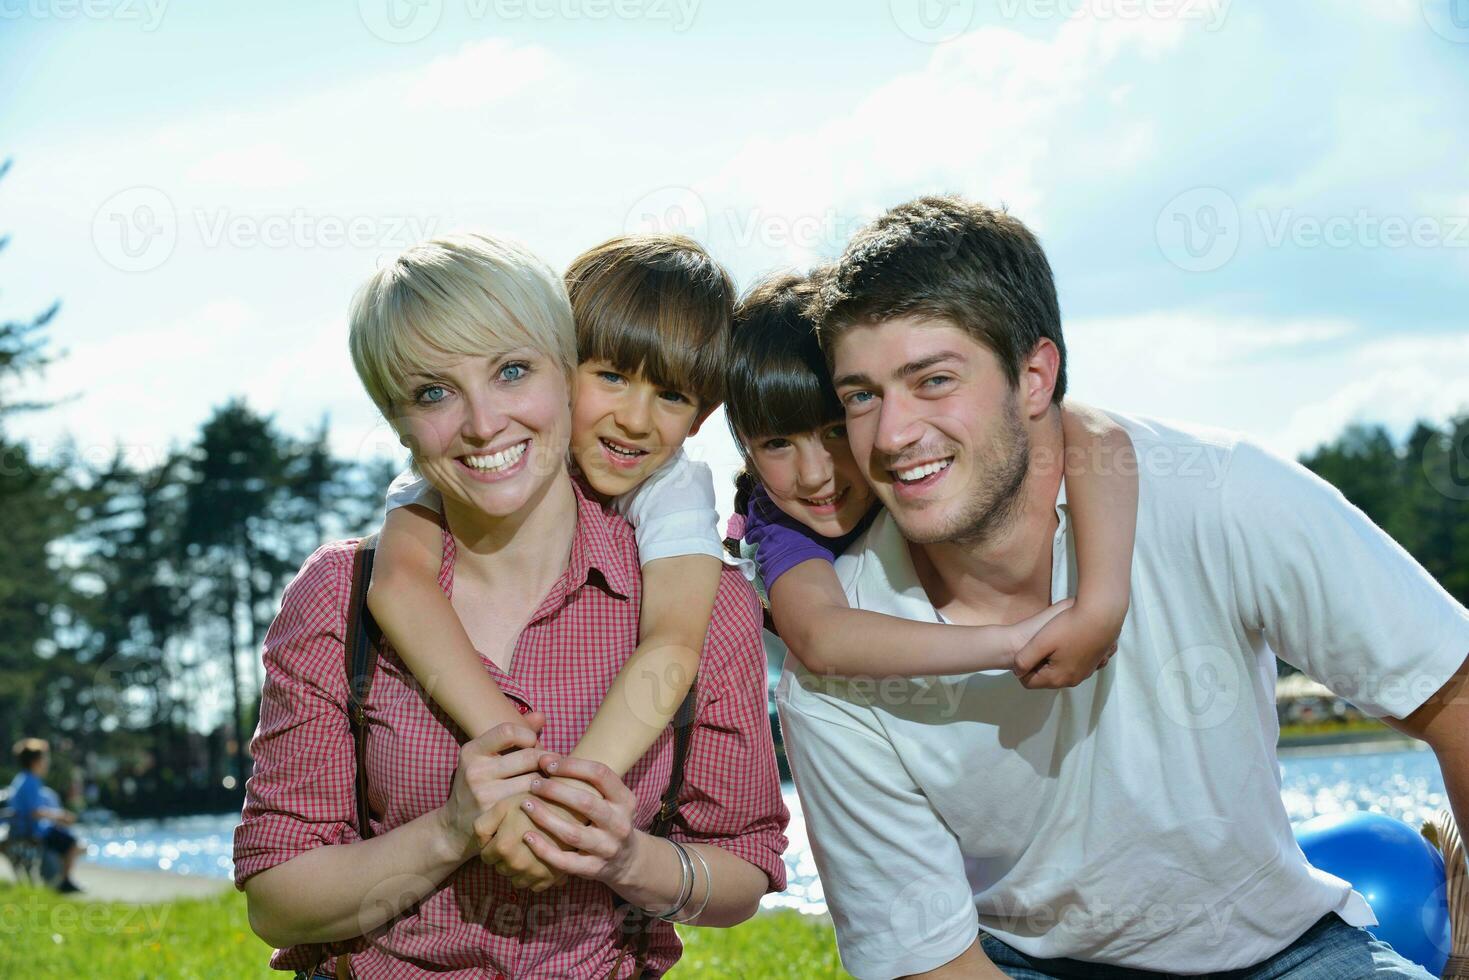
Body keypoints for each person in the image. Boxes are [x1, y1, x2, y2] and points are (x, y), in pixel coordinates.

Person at [775, 195, 1469, 979]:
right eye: (860, 395)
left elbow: (1456, 698)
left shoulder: (1224, 494)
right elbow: (934, 967)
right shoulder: (838, 665)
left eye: (931, 381)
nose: (891, 434)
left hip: (1284, 953)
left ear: (1033, 375)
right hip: (1020, 965)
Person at [234, 232, 788, 979]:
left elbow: (740, 871)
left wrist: (629, 859)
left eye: (511, 372)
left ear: (560, 371)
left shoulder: (699, 592)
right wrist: (448, 832)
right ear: (397, 421)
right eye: (432, 392)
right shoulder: (341, 593)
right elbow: (277, 904)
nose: (483, 423)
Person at [368, 235, 740, 890]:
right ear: (557, 362)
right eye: (612, 376)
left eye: (672, 397)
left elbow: (673, 644)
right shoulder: (490, 446)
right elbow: (399, 582)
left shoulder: (673, 485)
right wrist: (507, 742)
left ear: (702, 416)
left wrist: (558, 810)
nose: (634, 420)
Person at [724, 270, 1135, 683]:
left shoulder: (904, 446)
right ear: (746, 446)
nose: (814, 475)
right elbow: (820, 638)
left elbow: (1093, 430)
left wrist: (1102, 608)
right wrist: (1014, 643)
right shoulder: (780, 523)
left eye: (836, 431)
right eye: (777, 443)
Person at [6, 738, 84, 893]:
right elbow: (35, 812)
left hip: (25, 829)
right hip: (31, 832)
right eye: (45, 758)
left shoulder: (23, 779)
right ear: (36, 761)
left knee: (68, 841)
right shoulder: (30, 781)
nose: (47, 762)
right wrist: (60, 816)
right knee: (73, 844)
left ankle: (58, 879)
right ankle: (64, 882)